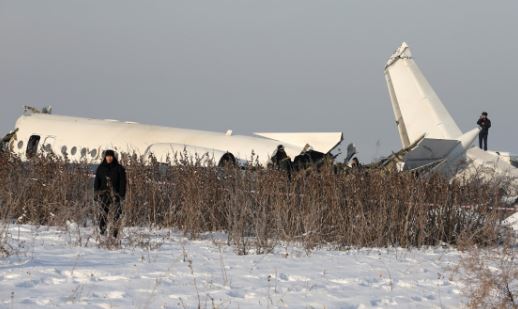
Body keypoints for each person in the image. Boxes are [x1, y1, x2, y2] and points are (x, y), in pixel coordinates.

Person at [94, 150, 127, 238]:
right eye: (107, 156)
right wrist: (96, 193)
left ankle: (114, 233)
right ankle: (102, 231)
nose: (109, 158)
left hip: (116, 194)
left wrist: (121, 195)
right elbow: (97, 182)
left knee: (117, 213)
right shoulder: (101, 168)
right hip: (104, 194)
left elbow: (123, 183)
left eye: (111, 156)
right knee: (103, 213)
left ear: (113, 157)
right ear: (105, 157)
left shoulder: (119, 168)